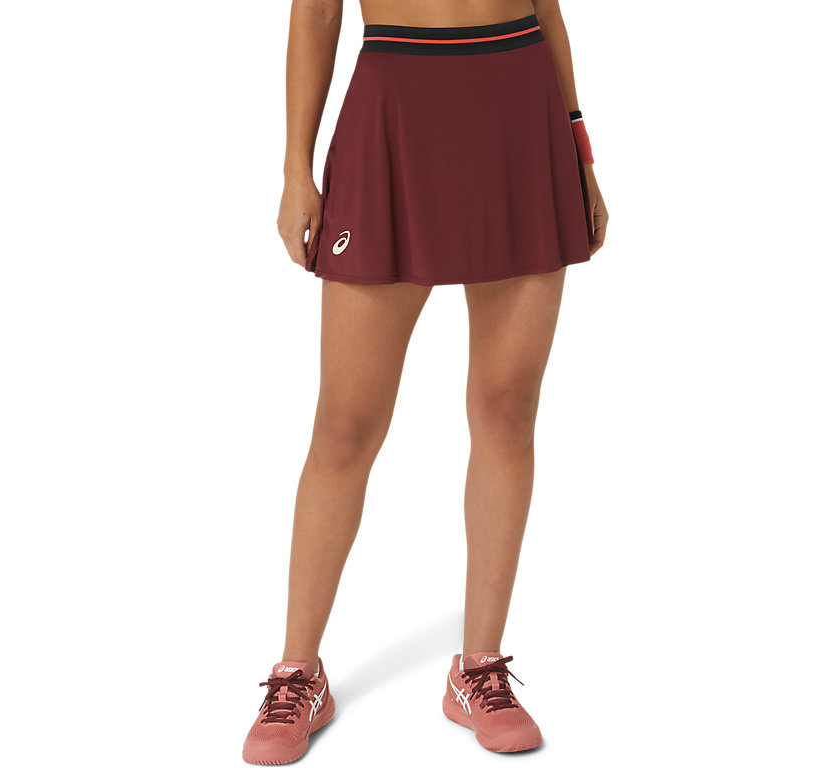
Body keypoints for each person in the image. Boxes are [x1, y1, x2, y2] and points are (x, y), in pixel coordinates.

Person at [243, 0, 607, 762]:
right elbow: (316, 11)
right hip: (394, 108)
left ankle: (478, 669)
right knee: (345, 425)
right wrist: (294, 168)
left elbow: (546, 6)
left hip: (520, 107)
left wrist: (579, 149)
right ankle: (298, 672)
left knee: (507, 410)